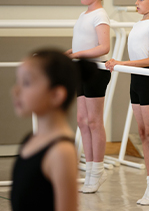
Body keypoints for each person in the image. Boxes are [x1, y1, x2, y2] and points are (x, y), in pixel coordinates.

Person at [10, 49, 97, 211]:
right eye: (18, 82)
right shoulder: (31, 139)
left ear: (56, 95)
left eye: (27, 83)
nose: (16, 91)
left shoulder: (61, 151)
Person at [106, 0, 149, 205]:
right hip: (135, 78)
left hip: (147, 78)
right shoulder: (139, 23)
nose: (136, 3)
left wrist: (122, 62)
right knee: (142, 132)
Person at [66, 0, 111, 194]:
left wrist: (77, 54)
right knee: (82, 120)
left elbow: (104, 47)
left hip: (95, 70)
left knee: (94, 121)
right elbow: (86, 44)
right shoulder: (84, 15)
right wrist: (73, 52)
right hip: (81, 68)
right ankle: (90, 168)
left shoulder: (100, 15)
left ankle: (97, 170)